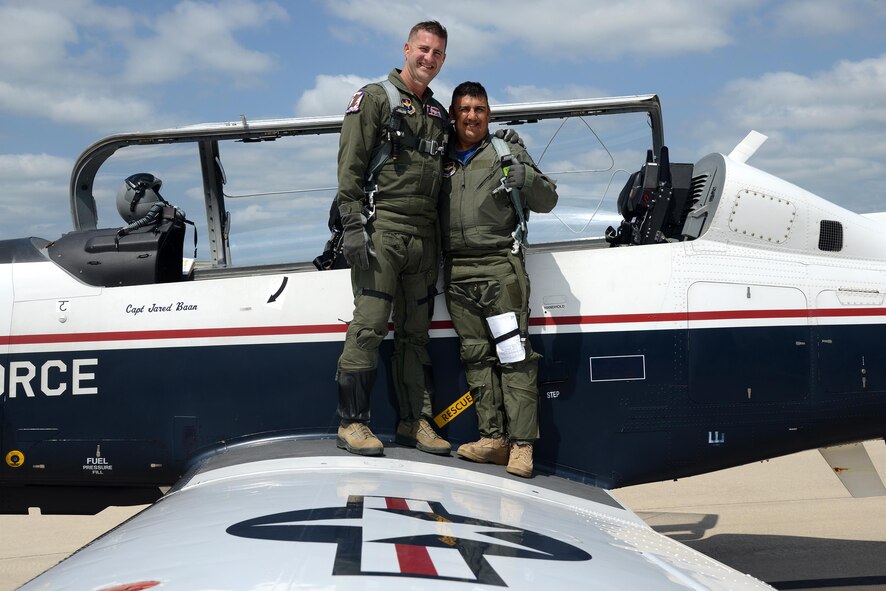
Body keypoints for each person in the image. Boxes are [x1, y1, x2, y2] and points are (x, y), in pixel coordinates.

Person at [335, 21, 451, 457]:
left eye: (437, 53)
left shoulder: (438, 114)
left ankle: (414, 422)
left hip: (423, 240)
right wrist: (352, 224)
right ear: (406, 49)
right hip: (381, 231)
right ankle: (351, 423)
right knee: (368, 327)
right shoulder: (374, 98)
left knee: (415, 336)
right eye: (423, 49)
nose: (428, 58)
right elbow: (350, 166)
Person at [440, 81, 558, 478]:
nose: (472, 116)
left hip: (499, 270)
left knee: (513, 357)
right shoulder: (439, 157)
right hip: (456, 273)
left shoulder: (507, 152)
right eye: (465, 109)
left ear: (489, 114)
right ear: (453, 114)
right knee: (475, 357)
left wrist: (526, 177)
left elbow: (548, 199)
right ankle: (493, 440)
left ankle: (522, 446)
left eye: (479, 109)